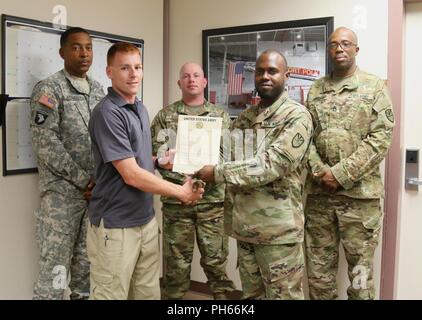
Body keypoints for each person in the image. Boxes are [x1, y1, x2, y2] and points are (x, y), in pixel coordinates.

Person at [87, 43, 204, 300]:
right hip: (117, 227)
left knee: (147, 294)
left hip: (145, 221)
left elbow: (138, 162)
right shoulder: (108, 113)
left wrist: (159, 161)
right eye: (124, 68)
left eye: (137, 67)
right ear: (109, 72)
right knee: (110, 295)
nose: (133, 74)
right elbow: (130, 174)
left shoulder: (139, 107)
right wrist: (180, 192)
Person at [195, 50, 313, 299]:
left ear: (286, 76)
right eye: (260, 71)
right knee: (251, 296)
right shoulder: (247, 117)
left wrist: (216, 173)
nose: (265, 76)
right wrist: (186, 158)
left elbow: (273, 164)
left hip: (277, 233)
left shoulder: (297, 116)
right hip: (245, 228)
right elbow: (224, 153)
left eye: (272, 71)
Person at [304, 27, 395, 300]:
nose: (339, 49)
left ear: (356, 50)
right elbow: (305, 137)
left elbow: (381, 137)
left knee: (360, 277)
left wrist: (341, 173)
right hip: (320, 197)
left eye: (345, 44)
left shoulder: (375, 86)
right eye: (333, 45)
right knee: (319, 277)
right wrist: (321, 171)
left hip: (359, 199)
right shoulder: (316, 89)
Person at [30, 27, 105, 300]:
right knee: (55, 274)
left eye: (88, 47)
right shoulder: (49, 90)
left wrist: (98, 182)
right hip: (62, 197)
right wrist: (85, 179)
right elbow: (46, 143)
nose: (84, 53)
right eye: (76, 47)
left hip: (93, 197)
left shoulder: (98, 90)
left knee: (86, 271)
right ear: (62, 52)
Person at [150, 62, 235, 300]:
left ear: (205, 82)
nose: (191, 80)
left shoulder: (220, 116)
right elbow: (157, 156)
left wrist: (203, 172)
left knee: (217, 263)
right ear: (179, 83)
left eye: (197, 75)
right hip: (178, 203)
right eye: (186, 76)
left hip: (212, 203)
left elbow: (226, 155)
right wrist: (183, 179)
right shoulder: (165, 116)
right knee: (176, 266)